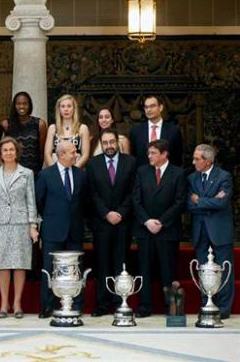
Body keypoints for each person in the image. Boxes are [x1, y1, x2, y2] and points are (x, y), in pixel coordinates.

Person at [0, 137, 39, 319]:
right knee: (3, 265)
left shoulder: (27, 173)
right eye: (5, 150)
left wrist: (33, 226)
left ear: (17, 152)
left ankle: (17, 303)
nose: (8, 153)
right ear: (0, 153)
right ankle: (3, 303)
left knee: (20, 264)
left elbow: (31, 201)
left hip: (21, 223)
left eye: (11, 150)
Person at [132, 139, 187, 318]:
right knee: (144, 269)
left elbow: (179, 202)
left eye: (153, 153)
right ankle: (144, 307)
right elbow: (136, 200)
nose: (149, 156)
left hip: (167, 231)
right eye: (148, 153)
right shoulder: (141, 171)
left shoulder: (178, 173)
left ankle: (170, 307)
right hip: (145, 230)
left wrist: (161, 222)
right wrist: (147, 221)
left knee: (167, 270)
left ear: (164, 154)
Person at [86, 128, 137, 317]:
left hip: (123, 222)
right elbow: (92, 194)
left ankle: (119, 302)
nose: (109, 146)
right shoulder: (93, 164)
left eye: (112, 142)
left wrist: (120, 213)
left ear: (117, 142)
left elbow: (133, 192)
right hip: (102, 222)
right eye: (105, 143)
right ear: (101, 144)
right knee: (102, 263)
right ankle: (101, 304)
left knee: (121, 263)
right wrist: (106, 213)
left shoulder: (130, 162)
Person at [35, 141, 89, 318]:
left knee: (76, 269)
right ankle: (47, 306)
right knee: (49, 269)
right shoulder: (45, 175)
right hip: (53, 230)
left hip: (74, 230)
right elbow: (39, 202)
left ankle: (76, 304)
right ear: (61, 154)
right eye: (73, 152)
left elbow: (83, 202)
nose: (76, 155)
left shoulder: (81, 175)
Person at [187, 144, 234, 320]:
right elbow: (190, 204)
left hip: (219, 231)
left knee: (224, 270)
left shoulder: (224, 176)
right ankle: (207, 304)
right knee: (202, 270)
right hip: (201, 231)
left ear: (207, 161)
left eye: (197, 159)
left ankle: (224, 308)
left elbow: (222, 203)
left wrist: (200, 201)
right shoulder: (192, 178)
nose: (193, 162)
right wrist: (210, 201)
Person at [129, 95, 183, 167]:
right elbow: (133, 156)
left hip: (167, 175)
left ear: (160, 107)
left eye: (152, 106)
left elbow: (178, 157)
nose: (148, 110)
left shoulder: (173, 131)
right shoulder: (136, 131)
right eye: (146, 107)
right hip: (143, 175)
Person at [5, 92, 48, 175]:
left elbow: (42, 153)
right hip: (12, 172)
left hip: (34, 172)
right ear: (14, 105)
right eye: (18, 104)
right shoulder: (6, 124)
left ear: (29, 105)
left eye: (25, 103)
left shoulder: (40, 124)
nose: (22, 106)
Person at [44, 94, 90, 168]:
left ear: (74, 108)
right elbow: (47, 154)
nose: (66, 109)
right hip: (55, 170)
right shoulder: (52, 128)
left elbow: (85, 155)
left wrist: (74, 171)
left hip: (76, 169)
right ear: (59, 109)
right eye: (63, 106)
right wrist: (55, 172)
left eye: (69, 106)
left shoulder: (82, 128)